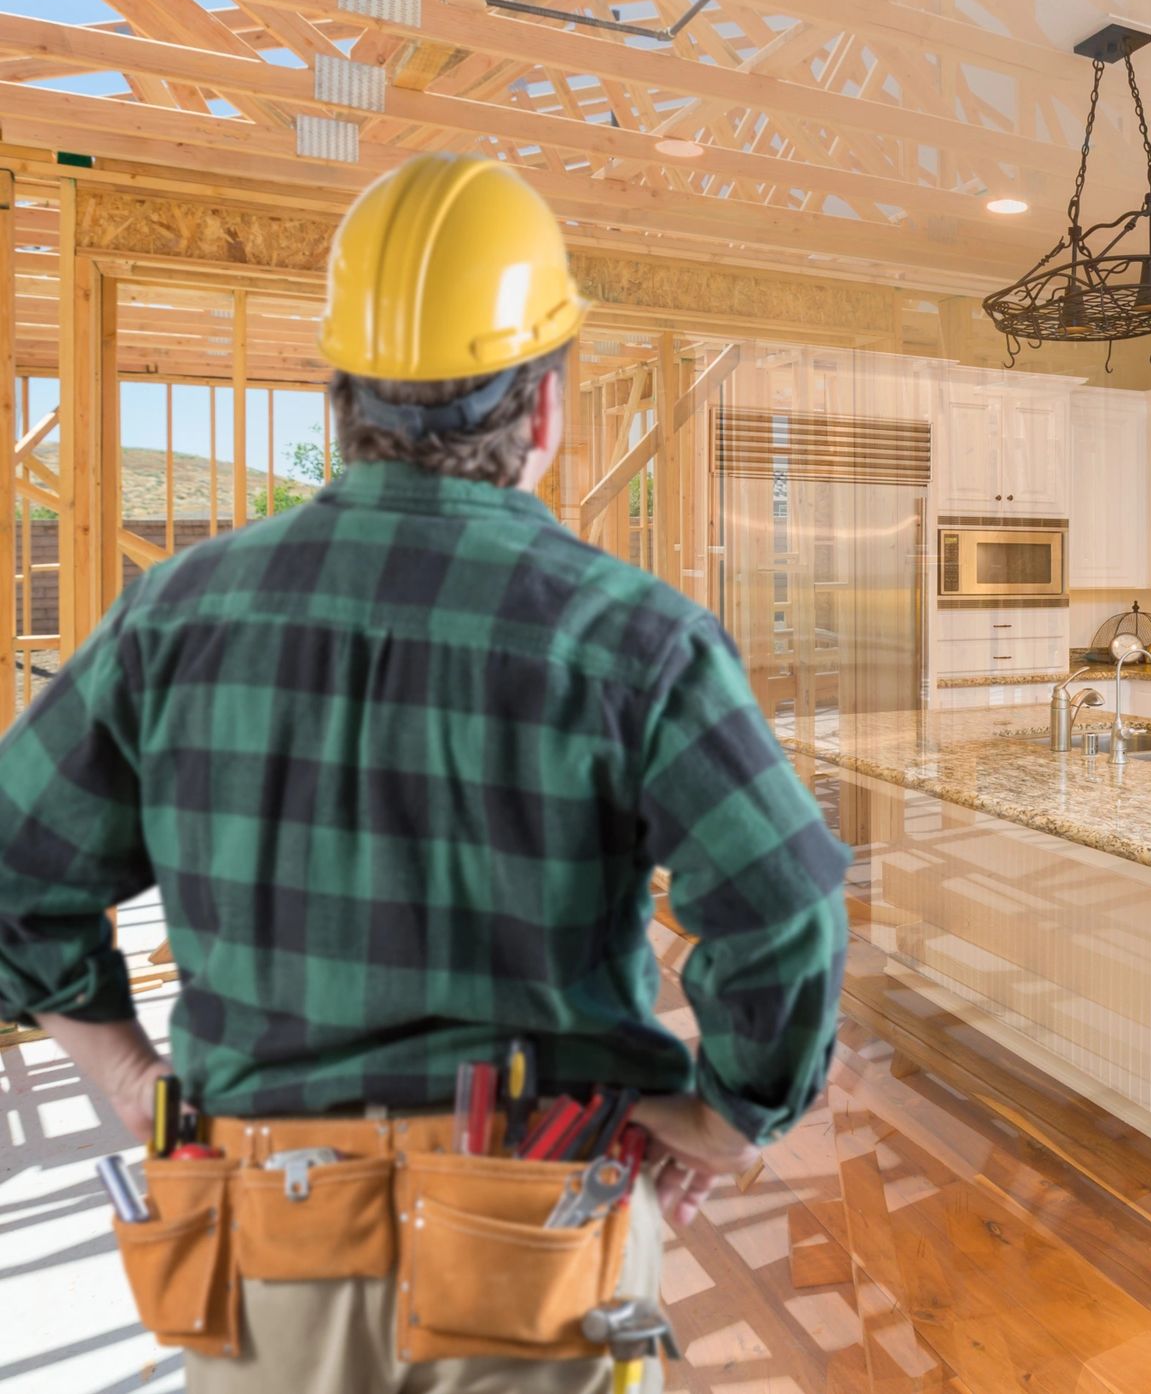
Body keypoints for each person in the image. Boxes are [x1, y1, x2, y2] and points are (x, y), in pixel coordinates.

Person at [0, 154, 851, 1393]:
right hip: (541, 1240)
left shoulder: (172, 620)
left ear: (339, 404)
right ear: (547, 410)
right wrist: (727, 1117)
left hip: (264, 1242)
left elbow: (16, 869)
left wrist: (126, 1072)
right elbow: (784, 910)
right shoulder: (636, 640)